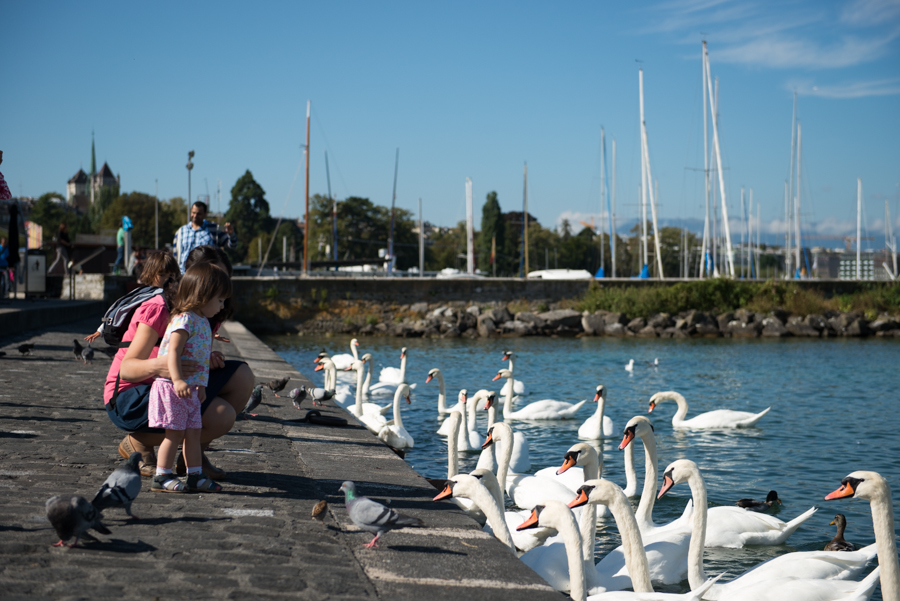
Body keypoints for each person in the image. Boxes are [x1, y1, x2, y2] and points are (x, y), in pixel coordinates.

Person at [102, 250, 253, 479]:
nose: (220, 286)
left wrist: (206, 359)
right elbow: (128, 369)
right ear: (195, 279)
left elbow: (188, 352)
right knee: (220, 416)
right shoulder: (160, 307)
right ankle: (138, 441)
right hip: (131, 394)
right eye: (213, 278)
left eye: (223, 278)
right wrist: (162, 365)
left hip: (172, 385)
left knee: (242, 376)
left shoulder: (206, 313)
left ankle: (193, 455)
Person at [149, 263, 230, 493]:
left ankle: (195, 474)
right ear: (203, 295)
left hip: (191, 389)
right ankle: (161, 475)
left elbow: (201, 358)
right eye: (220, 300)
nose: (222, 306)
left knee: (193, 433)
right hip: (172, 386)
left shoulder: (202, 321)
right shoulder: (184, 319)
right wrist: (179, 380)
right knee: (173, 434)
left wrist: (200, 385)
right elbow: (173, 352)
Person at [174, 201, 236, 273]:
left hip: (206, 274)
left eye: (199, 214)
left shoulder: (214, 229)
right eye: (193, 212)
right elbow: (175, 254)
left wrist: (231, 235)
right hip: (184, 275)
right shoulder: (181, 231)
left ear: (205, 214)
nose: (195, 216)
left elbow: (232, 246)